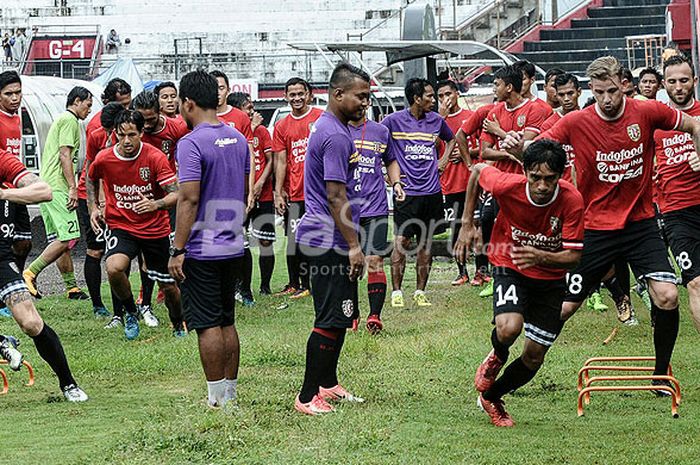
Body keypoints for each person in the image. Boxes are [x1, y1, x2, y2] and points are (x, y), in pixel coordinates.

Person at [506, 56, 700, 394]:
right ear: (590, 91)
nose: (607, 100)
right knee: (564, 308)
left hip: (640, 225)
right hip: (594, 227)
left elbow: (695, 125)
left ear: (624, 84)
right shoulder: (576, 121)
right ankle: (513, 364)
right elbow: (537, 148)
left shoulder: (648, 111)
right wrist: (516, 145)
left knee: (668, 296)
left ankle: (659, 375)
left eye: (612, 91)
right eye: (599, 93)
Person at [454, 139, 584, 427]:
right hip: (509, 264)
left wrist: (540, 255)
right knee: (509, 327)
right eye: (535, 177)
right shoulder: (505, 185)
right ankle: (497, 354)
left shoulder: (572, 199)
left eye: (549, 179)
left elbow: (573, 257)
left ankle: (492, 396)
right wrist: (467, 223)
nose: (541, 186)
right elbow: (476, 171)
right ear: (524, 171)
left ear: (560, 176)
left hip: (550, 279)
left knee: (534, 356)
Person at [168, 70, 250, 408]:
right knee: (227, 320)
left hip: (202, 249)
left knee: (206, 324)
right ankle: (229, 393)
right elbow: (243, 190)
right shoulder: (238, 138)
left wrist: (178, 249)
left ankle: (216, 400)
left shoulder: (190, 143)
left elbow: (188, 199)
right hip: (233, 244)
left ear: (188, 103)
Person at [293, 63, 370, 415]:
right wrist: (354, 246)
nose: (365, 104)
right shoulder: (336, 135)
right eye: (361, 96)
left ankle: (328, 383)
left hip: (333, 237)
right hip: (327, 239)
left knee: (342, 314)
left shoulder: (333, 127)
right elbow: (336, 195)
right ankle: (307, 395)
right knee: (328, 318)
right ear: (338, 94)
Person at [0, 148, 88, 401]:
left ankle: (68, 384)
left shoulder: (3, 160)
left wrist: (4, 193)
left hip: (1, 259)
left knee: (31, 322)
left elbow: (44, 191)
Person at [87, 109, 184, 340]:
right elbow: (90, 178)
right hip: (121, 226)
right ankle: (131, 312)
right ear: (115, 134)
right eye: (121, 135)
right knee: (114, 268)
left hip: (154, 229)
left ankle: (178, 323)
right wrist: (93, 207)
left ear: (142, 132)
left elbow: (176, 194)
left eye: (132, 134)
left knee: (168, 287)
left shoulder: (155, 157)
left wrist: (155, 204)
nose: (127, 141)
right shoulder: (105, 158)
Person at [382, 78, 456, 308]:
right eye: (430, 96)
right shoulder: (392, 121)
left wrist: (443, 160)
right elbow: (374, 144)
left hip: (432, 192)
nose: (434, 101)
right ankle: (396, 293)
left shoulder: (436, 121)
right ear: (416, 99)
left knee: (426, 244)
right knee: (401, 242)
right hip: (406, 192)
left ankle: (419, 292)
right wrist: (387, 175)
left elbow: (452, 139)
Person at [23, 87, 93, 299]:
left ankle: (72, 288)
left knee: (59, 240)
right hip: (58, 187)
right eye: (88, 105)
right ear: (77, 101)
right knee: (69, 236)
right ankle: (30, 273)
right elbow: (65, 155)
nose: (89, 110)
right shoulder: (69, 120)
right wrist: (73, 187)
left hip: (48, 187)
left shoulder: (63, 119)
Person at [654, 54, 700, 331]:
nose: (679, 86)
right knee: (695, 281)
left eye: (684, 80)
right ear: (663, 84)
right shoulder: (657, 120)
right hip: (676, 212)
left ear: (694, 81)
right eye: (672, 81)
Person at [350, 108, 405, 333]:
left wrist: (397, 183)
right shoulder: (335, 130)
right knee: (349, 266)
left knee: (375, 260)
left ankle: (374, 316)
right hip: (345, 210)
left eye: (364, 99)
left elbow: (391, 160)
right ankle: (351, 314)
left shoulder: (381, 132)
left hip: (375, 207)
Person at [273, 77, 324, 299]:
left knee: (316, 239)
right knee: (293, 239)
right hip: (295, 192)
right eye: (292, 94)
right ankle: (295, 283)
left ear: (309, 94)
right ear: (286, 97)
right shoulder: (281, 126)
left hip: (318, 193)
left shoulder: (321, 119)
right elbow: (281, 161)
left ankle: (312, 283)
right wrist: (278, 191)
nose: (296, 98)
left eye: (300, 93)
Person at [76, 102, 124, 321]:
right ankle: (97, 305)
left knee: (115, 255)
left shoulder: (127, 138)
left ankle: (123, 311)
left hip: (117, 198)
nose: (106, 135)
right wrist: (93, 206)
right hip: (93, 197)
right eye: (104, 130)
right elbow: (90, 172)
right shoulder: (96, 136)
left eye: (110, 131)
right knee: (95, 251)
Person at [230, 92, 276, 297]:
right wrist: (251, 127)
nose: (253, 111)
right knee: (239, 241)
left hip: (263, 194)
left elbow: (271, 160)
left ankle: (265, 286)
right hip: (240, 195)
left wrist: (260, 182)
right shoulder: (231, 133)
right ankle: (240, 286)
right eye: (248, 107)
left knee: (265, 241)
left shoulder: (263, 132)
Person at [436, 80, 474, 286]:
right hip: (449, 183)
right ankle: (462, 271)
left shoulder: (469, 117)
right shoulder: (434, 120)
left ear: (457, 94)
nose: (445, 99)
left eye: (448, 94)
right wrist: (440, 118)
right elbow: (431, 146)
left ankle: (482, 271)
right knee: (456, 228)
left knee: (477, 227)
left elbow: (479, 146)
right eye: (440, 96)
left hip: (470, 181)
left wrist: (466, 153)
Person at [0, 71, 32, 317]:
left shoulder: (17, 116)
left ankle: (15, 285)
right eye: (8, 93)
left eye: (17, 92)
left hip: (18, 190)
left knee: (24, 242)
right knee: (7, 246)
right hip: (5, 192)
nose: (14, 97)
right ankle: (5, 298)